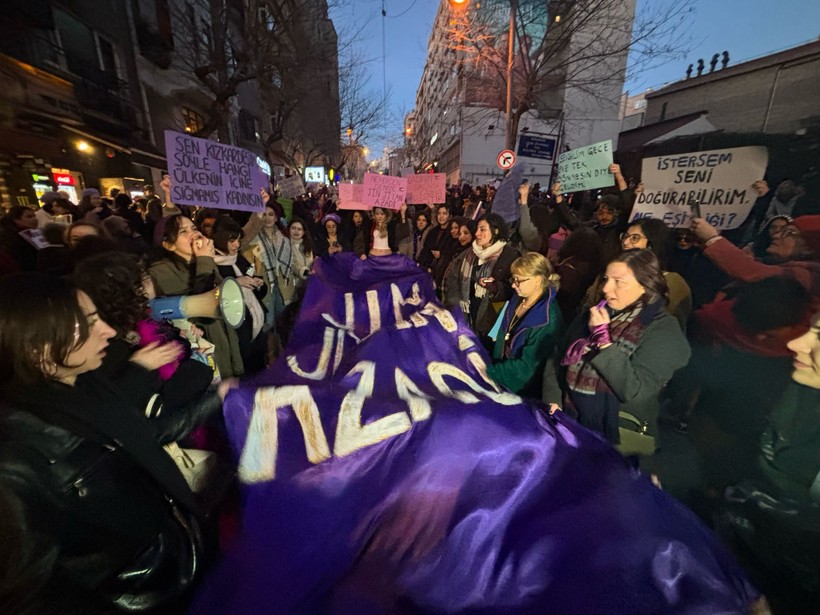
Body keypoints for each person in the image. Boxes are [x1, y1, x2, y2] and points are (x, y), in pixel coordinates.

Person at [0, 273, 227, 613]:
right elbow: (33, 593)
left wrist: (220, 397)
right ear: (38, 346)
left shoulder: (85, 382)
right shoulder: (16, 460)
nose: (106, 329)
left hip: (178, 566)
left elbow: (143, 434)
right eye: (87, 324)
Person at [546, 250, 691, 452]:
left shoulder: (663, 330)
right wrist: (553, 400)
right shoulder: (593, 315)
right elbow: (557, 357)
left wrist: (604, 343)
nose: (606, 288)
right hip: (569, 423)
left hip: (618, 438)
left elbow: (635, 392)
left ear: (645, 286)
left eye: (619, 282)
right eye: (606, 279)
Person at [149, 214, 244, 378]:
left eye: (194, 228)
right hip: (201, 357)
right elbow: (201, 309)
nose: (193, 234)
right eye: (183, 232)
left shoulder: (205, 261)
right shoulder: (160, 273)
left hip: (224, 341)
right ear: (169, 245)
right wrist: (204, 260)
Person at [486, 253, 563, 398]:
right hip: (500, 379)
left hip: (522, 392)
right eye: (512, 279)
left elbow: (528, 368)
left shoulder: (547, 319)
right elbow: (501, 334)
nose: (513, 285)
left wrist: (488, 372)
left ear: (537, 280)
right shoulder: (517, 299)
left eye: (518, 280)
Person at [444, 213, 519, 340]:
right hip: (466, 318)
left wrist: (495, 288)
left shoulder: (510, 256)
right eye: (477, 229)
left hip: (491, 320)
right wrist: (456, 305)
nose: (477, 234)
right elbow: (452, 279)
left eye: (482, 229)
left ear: (495, 231)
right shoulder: (467, 254)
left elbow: (515, 289)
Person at [212, 216, 268, 374]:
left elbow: (256, 291)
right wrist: (236, 283)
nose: (237, 245)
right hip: (237, 327)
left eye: (237, 240)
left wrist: (258, 284)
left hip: (255, 320)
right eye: (232, 241)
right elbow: (213, 297)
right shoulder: (212, 264)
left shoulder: (238, 258)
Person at [0, 206, 38, 271]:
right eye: (29, 217)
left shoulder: (33, 232)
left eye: (34, 216)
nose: (35, 219)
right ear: (16, 220)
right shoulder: (10, 237)